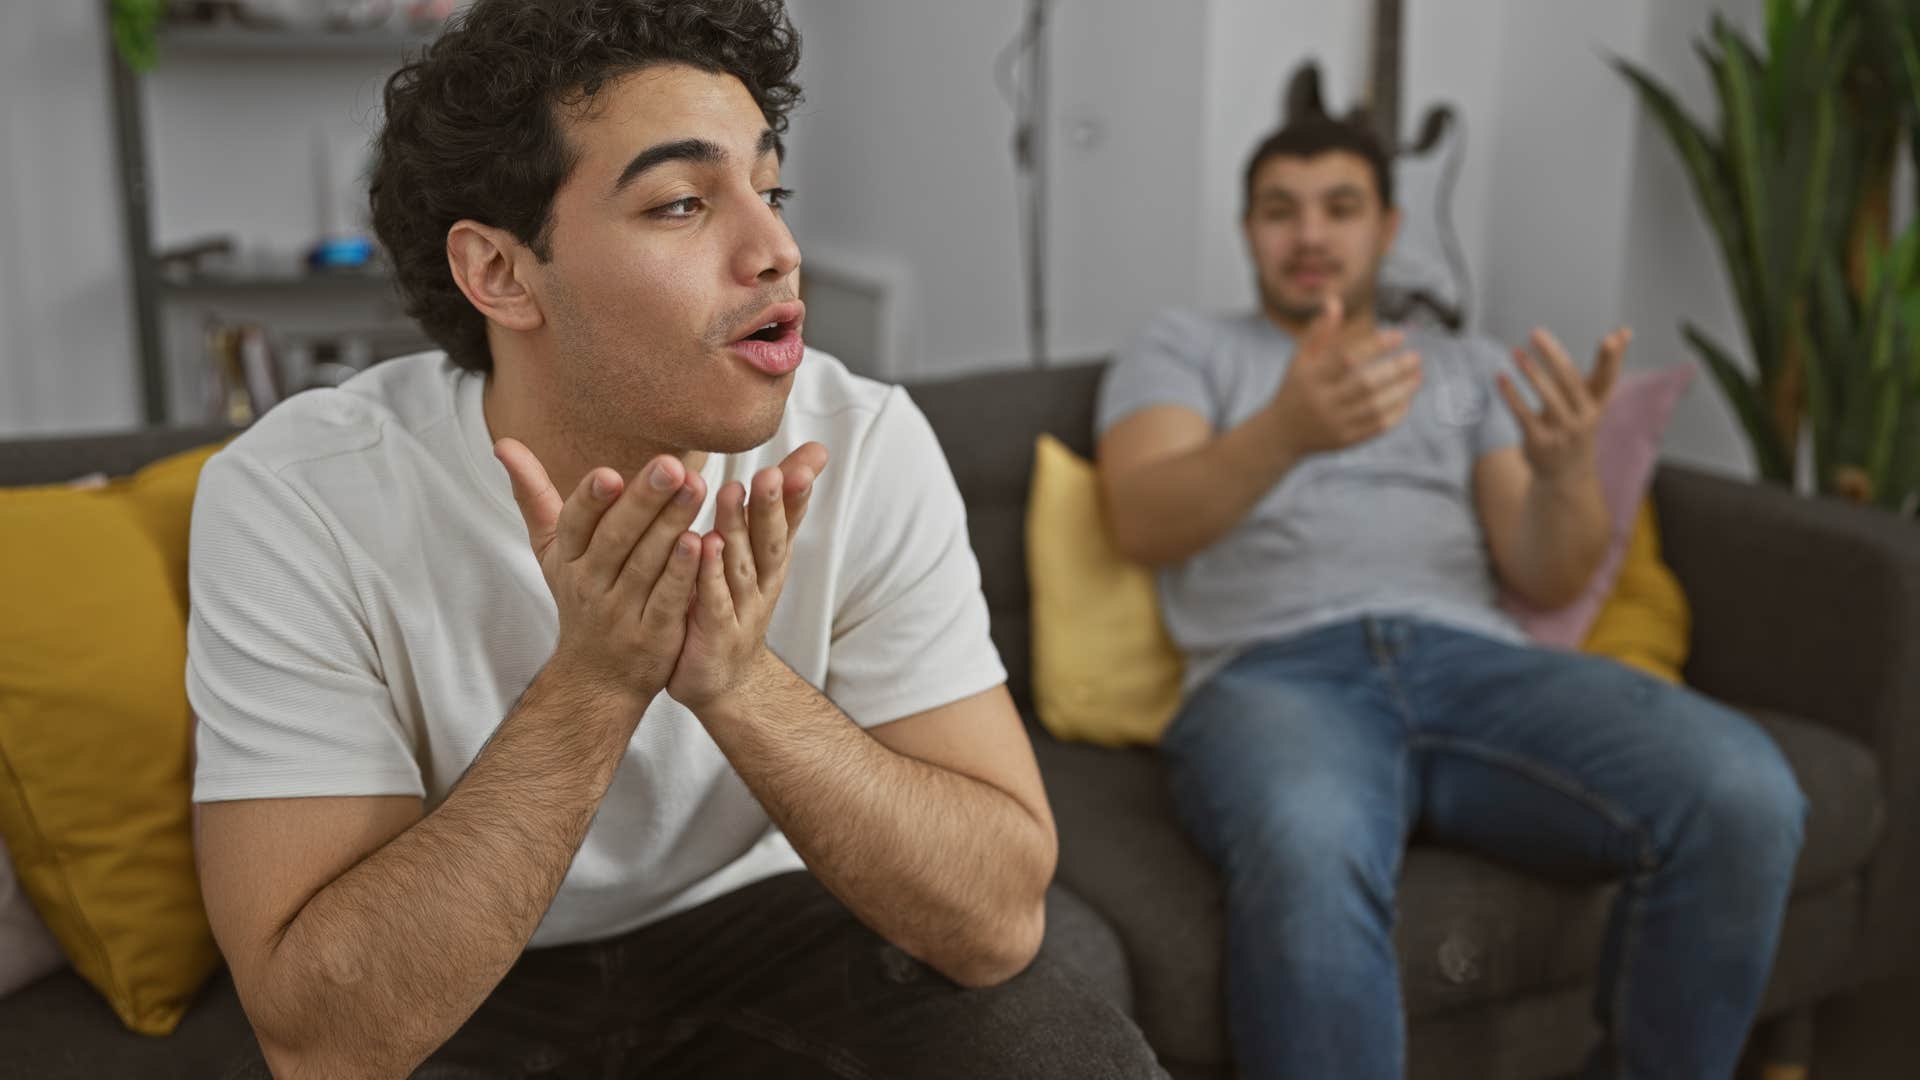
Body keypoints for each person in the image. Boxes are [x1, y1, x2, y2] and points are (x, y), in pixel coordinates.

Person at [186, 2, 1163, 1077]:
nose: (779, 250)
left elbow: (997, 920)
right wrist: (597, 681)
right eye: (684, 202)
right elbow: (321, 1040)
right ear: (502, 274)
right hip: (465, 965)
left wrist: (738, 681)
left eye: (771, 188)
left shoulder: (861, 443)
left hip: (762, 930)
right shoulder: (299, 497)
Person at [1095, 118, 1807, 1080]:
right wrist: (1287, 433)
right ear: (1246, 228)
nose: (1310, 235)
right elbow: (1141, 517)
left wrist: (1565, 478)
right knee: (1310, 838)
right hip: (1276, 676)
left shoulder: (1467, 367)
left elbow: (1546, 573)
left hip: (1475, 664)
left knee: (1747, 790)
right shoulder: (1181, 349)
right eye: (1280, 210)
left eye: (1340, 208)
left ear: (1387, 226)